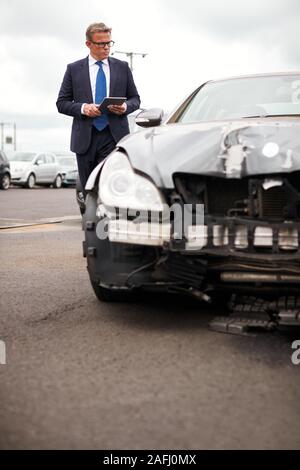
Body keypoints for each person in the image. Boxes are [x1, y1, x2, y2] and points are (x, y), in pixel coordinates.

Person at [56, 22, 141, 193]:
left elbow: (135, 99)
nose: (106, 47)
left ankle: (110, 217)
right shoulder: (73, 69)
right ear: (88, 44)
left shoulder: (122, 67)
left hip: (114, 136)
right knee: (89, 188)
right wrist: (83, 108)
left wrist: (125, 106)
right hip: (85, 138)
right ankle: (90, 217)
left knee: (110, 185)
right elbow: (62, 103)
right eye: (101, 43)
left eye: (109, 43)